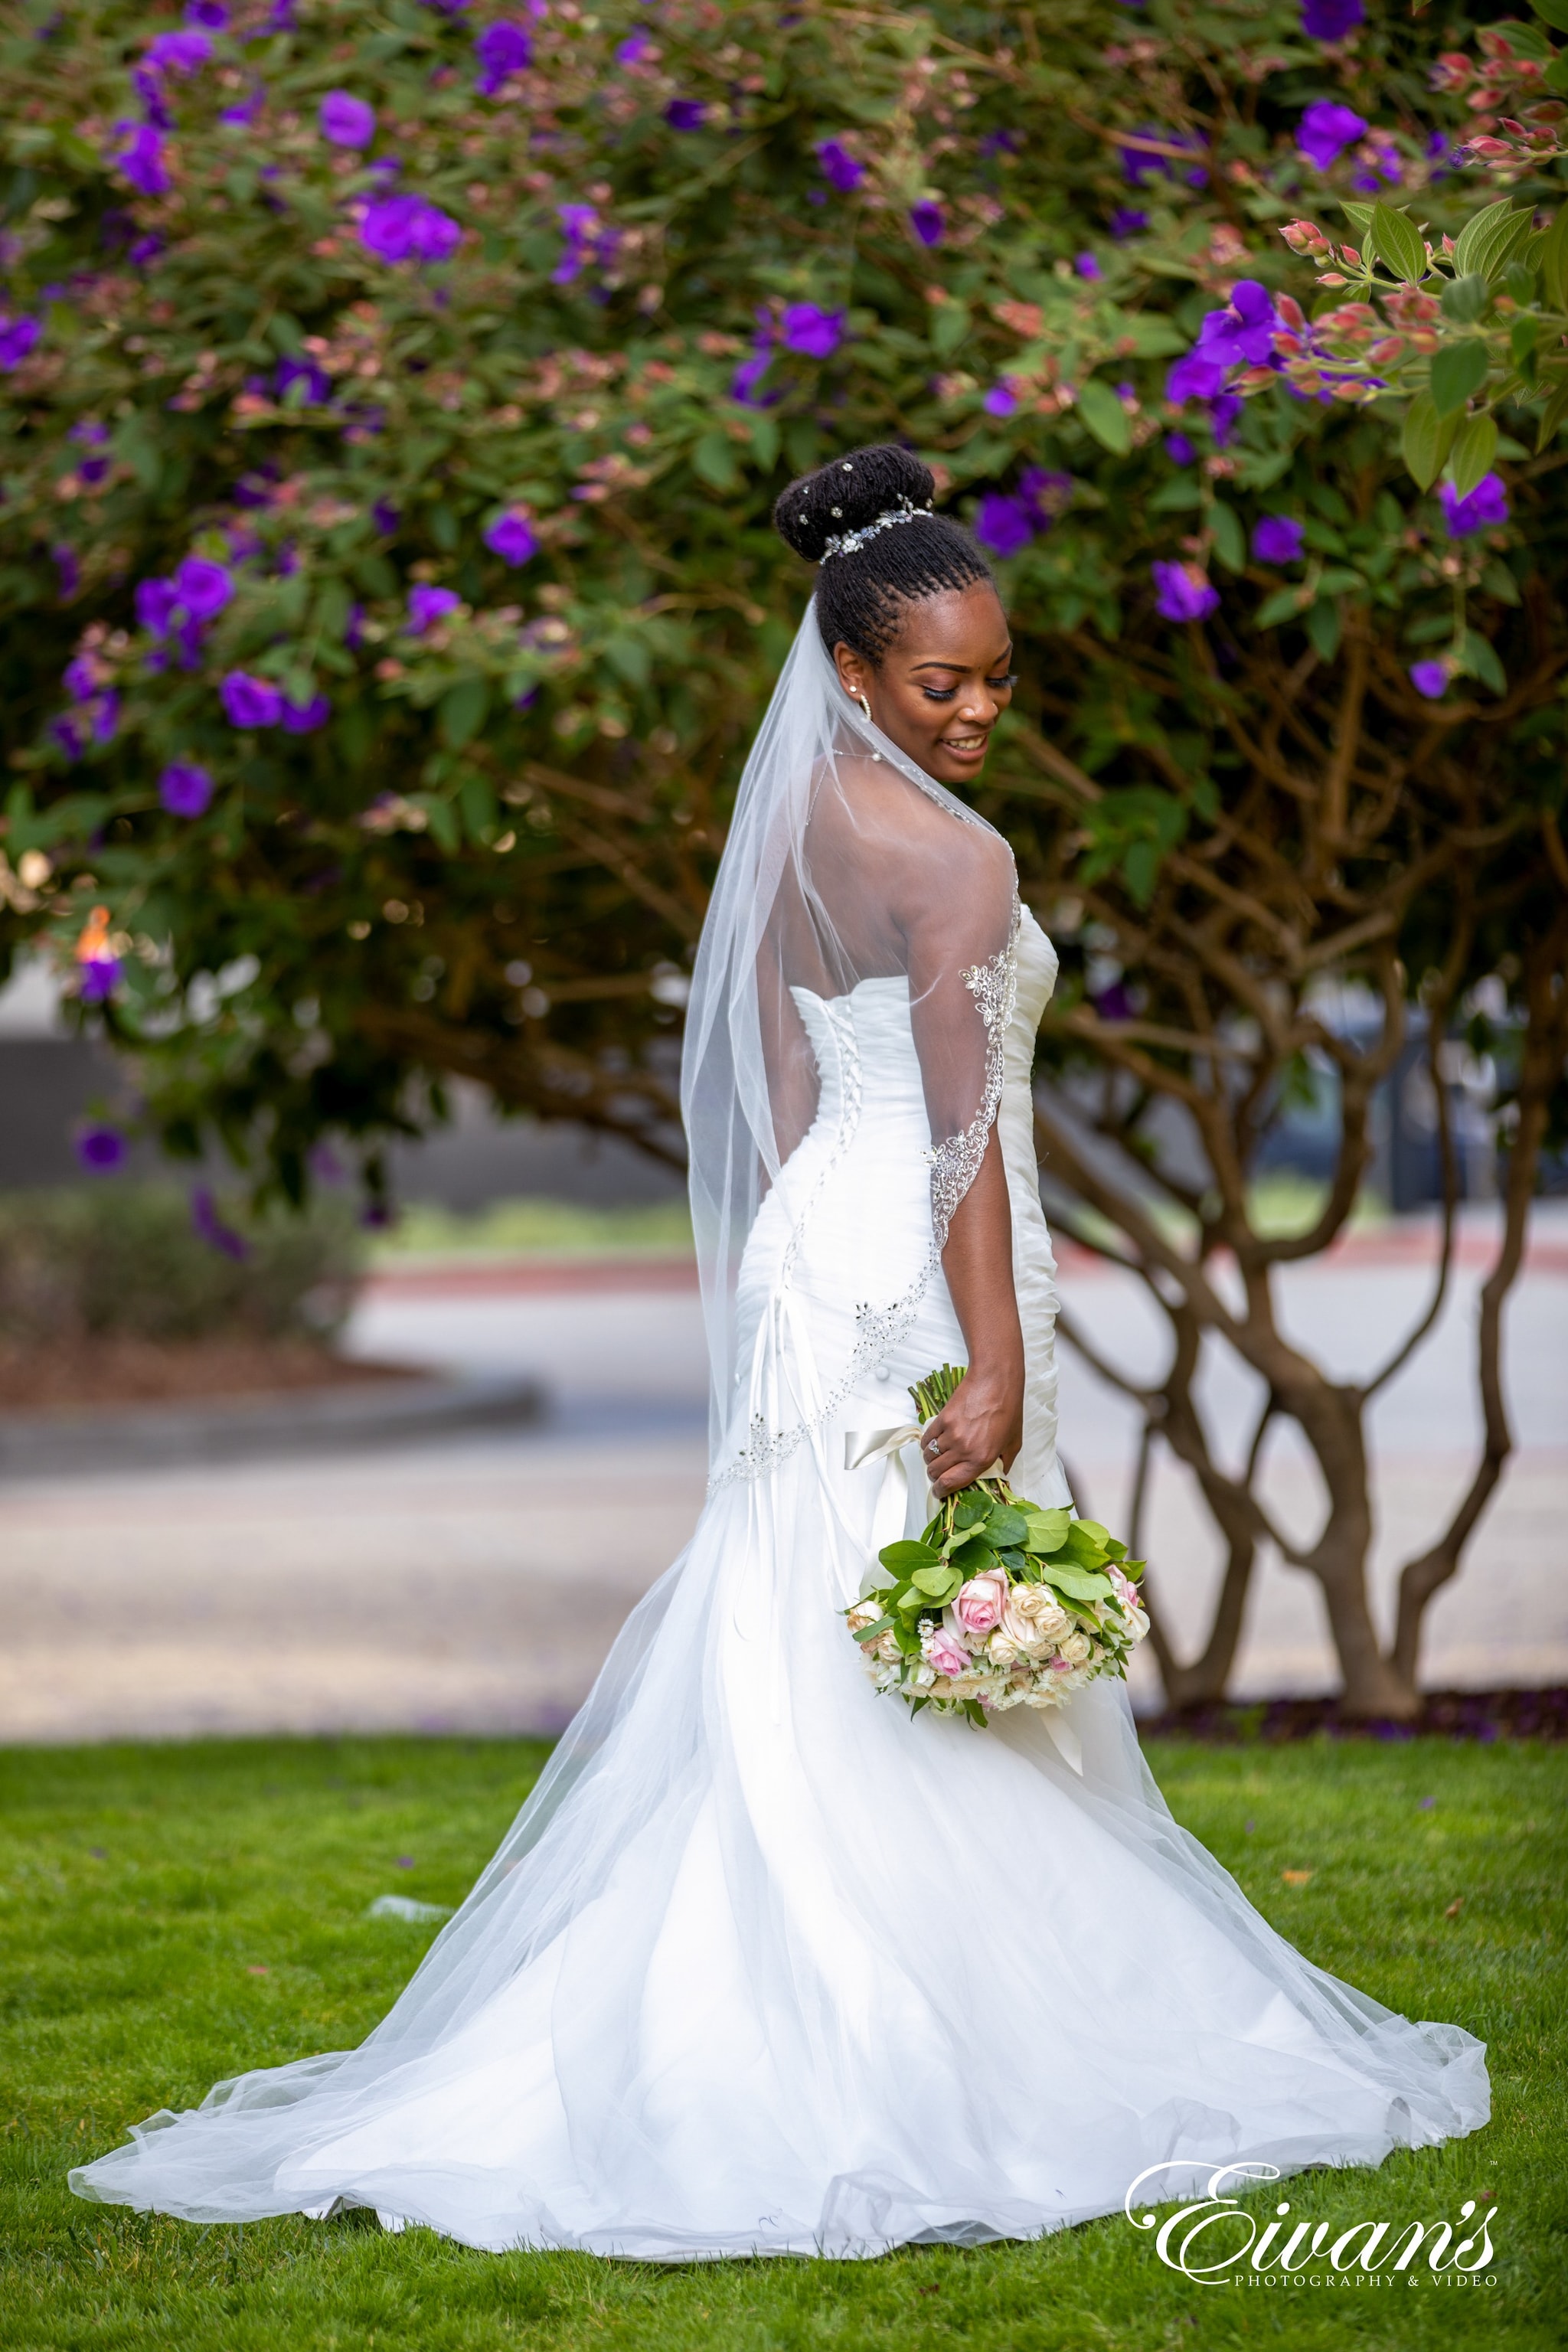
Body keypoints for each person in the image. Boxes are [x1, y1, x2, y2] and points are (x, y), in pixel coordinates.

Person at [70, 445, 1488, 2259]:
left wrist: (800, 1274)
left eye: (995, 680)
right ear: (850, 670)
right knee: (920, 1610)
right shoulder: (957, 860)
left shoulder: (796, 818)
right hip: (921, 1260)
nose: (977, 712)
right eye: (940, 684)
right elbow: (969, 1142)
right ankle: (921, 2027)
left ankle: (760, 1987)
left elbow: (786, 1070)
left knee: (804, 1611)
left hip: (820, 1251)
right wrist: (987, 1359)